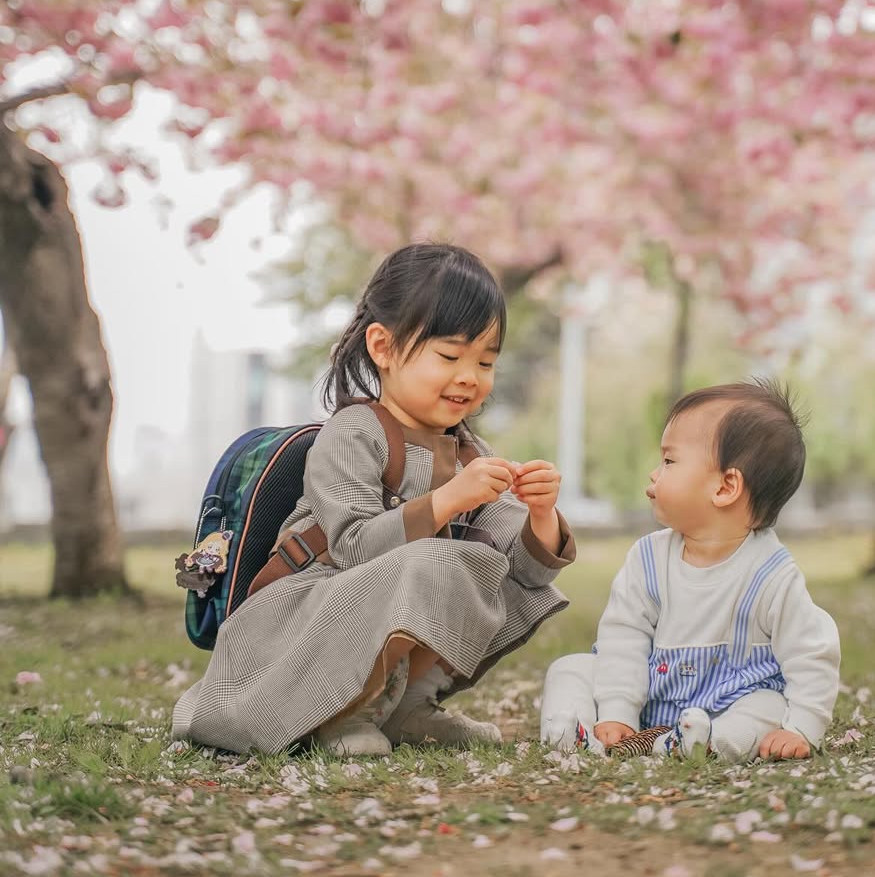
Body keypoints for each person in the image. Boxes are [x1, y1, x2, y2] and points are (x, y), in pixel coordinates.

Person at [173, 242, 575, 757]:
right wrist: (448, 500)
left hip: (374, 601)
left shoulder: (468, 453)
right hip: (304, 617)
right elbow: (355, 549)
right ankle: (343, 713)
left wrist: (541, 515)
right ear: (383, 348)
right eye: (449, 356)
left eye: (486, 361)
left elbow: (528, 572)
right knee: (435, 562)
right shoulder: (352, 433)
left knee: (487, 571)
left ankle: (407, 706)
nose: (470, 377)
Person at [540, 379, 839, 762]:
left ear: (726, 487)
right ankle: (571, 729)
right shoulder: (648, 559)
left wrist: (801, 728)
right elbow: (623, 637)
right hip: (647, 696)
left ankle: (708, 743)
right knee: (572, 668)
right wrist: (617, 711)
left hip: (727, 704)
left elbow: (811, 653)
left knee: (769, 704)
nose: (654, 473)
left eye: (669, 460)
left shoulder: (772, 574)